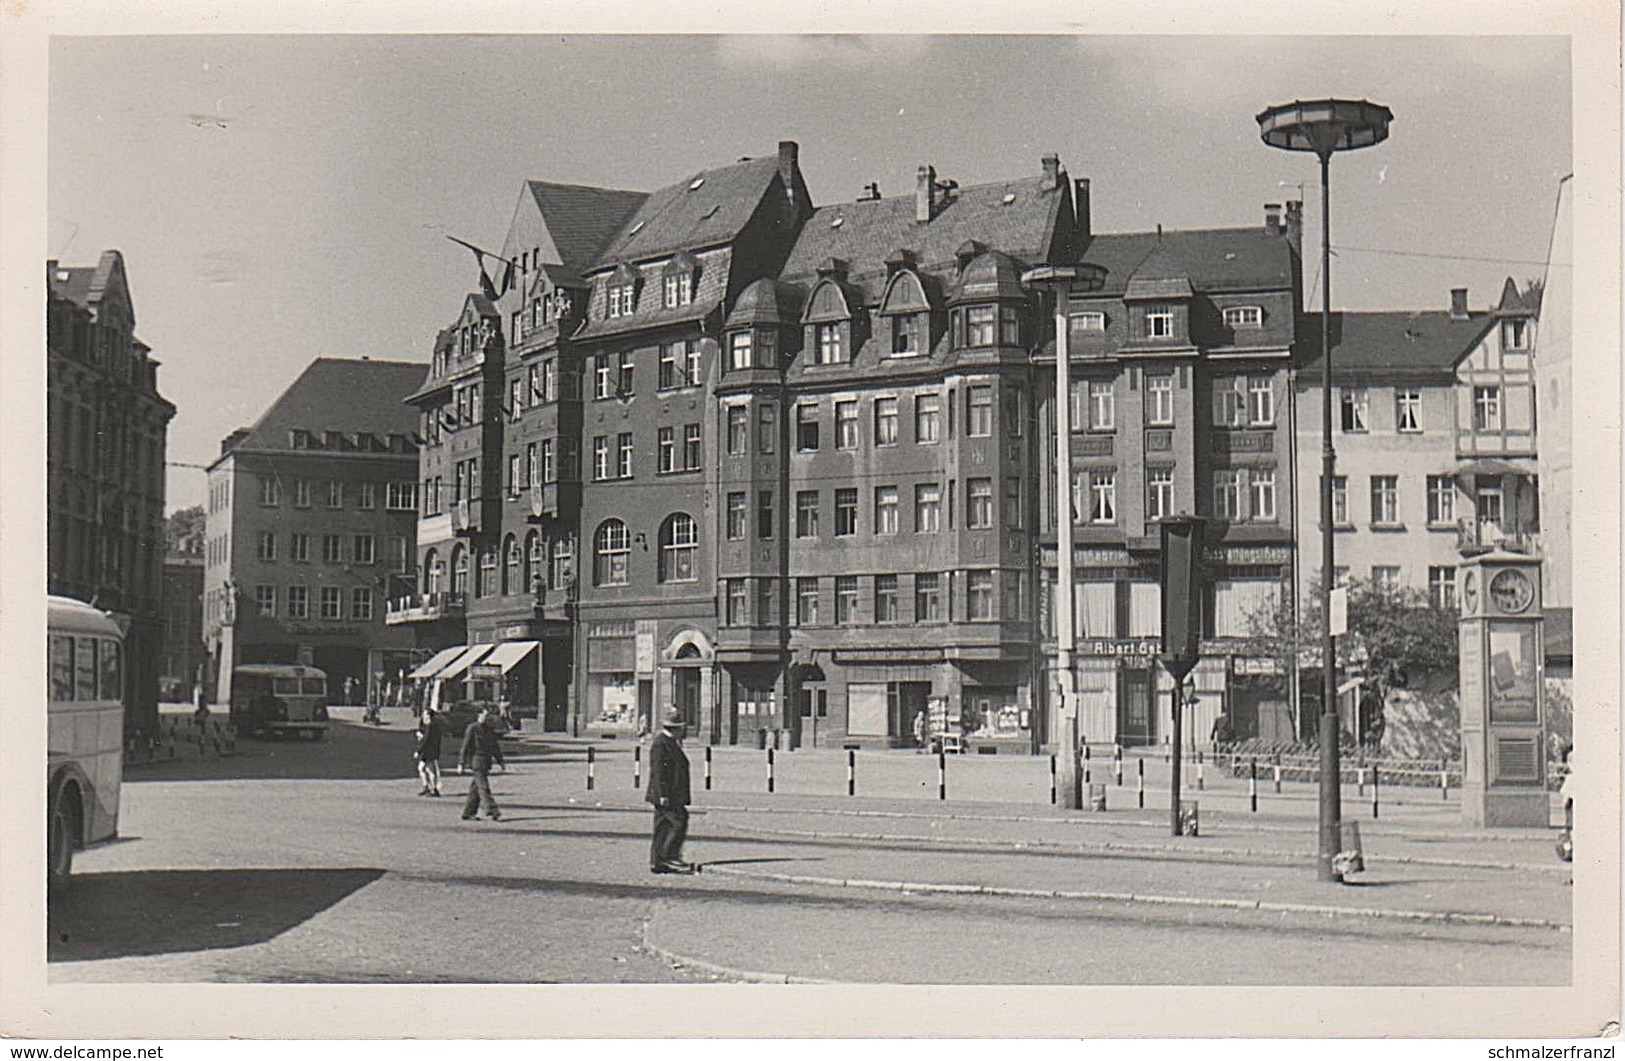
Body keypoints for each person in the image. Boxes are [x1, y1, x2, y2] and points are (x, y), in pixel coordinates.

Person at [645, 706, 695, 874]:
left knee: (662, 826)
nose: (684, 730)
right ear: (677, 728)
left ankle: (657, 861)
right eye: (682, 727)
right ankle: (669, 856)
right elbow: (659, 771)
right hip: (667, 794)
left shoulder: (670, 742)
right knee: (679, 820)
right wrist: (663, 794)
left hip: (669, 794)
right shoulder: (661, 744)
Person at [458, 707, 506, 821]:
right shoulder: (473, 728)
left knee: (476, 788)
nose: (487, 717)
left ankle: (468, 812)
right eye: (485, 715)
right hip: (477, 762)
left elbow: (495, 747)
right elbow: (465, 746)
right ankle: (492, 810)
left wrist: (501, 761)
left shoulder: (489, 729)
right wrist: (461, 763)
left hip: (486, 762)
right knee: (483, 787)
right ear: (479, 716)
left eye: (488, 715)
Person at [413, 708, 444, 797]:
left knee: (429, 770)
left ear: (429, 716)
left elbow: (426, 740)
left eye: (425, 714)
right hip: (430, 750)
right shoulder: (430, 725)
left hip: (429, 751)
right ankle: (426, 787)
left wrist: (418, 751)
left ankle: (433, 789)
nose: (423, 716)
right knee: (421, 768)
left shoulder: (431, 726)